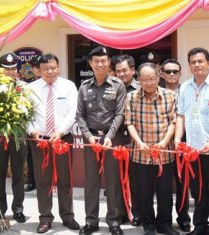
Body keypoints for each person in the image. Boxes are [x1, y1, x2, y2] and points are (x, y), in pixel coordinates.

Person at [175, 47, 209, 235]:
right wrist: (176, 139)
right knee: (197, 191)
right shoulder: (185, 87)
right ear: (189, 65)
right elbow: (180, 115)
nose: (197, 65)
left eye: (200, 61)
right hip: (193, 150)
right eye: (193, 62)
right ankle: (200, 226)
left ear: (208, 62)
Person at [76, 46, 126, 235]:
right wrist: (89, 136)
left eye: (103, 61)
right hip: (91, 141)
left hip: (111, 140)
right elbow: (79, 115)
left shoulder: (117, 85)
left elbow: (120, 113)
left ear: (108, 63)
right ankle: (91, 222)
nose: (100, 64)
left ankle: (113, 221)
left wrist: (109, 137)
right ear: (90, 63)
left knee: (113, 182)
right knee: (91, 182)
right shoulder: (84, 87)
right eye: (96, 61)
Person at [27, 53, 80, 233]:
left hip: (62, 140)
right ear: (38, 71)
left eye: (53, 67)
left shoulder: (69, 86)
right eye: (45, 69)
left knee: (65, 180)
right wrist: (32, 131)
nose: (50, 72)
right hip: (39, 141)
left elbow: (73, 113)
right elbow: (25, 115)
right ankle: (45, 218)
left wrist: (60, 132)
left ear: (58, 67)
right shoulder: (30, 89)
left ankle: (68, 216)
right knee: (43, 181)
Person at [125, 62, 179, 235]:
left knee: (165, 192)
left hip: (164, 153)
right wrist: (139, 143)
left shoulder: (170, 96)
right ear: (138, 79)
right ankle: (148, 225)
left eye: (152, 78)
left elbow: (173, 122)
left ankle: (165, 224)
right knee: (144, 193)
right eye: (144, 79)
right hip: (141, 154)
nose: (149, 82)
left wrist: (165, 141)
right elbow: (129, 123)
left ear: (159, 77)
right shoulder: (131, 97)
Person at [161, 59, 191, 232]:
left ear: (180, 73)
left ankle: (183, 218)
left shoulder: (187, 91)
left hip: (182, 144)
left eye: (175, 71)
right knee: (163, 185)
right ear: (162, 74)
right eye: (168, 71)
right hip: (162, 145)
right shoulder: (155, 91)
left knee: (182, 183)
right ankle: (164, 220)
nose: (172, 74)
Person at [0, 52, 27, 223]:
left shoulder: (23, 88)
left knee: (18, 175)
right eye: (6, 69)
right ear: (1, 70)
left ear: (17, 70)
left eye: (13, 69)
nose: (10, 72)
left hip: (18, 137)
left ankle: (18, 209)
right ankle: (0, 208)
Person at [114, 54, 141, 226]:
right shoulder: (112, 87)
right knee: (117, 180)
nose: (122, 74)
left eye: (125, 70)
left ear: (132, 70)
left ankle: (137, 213)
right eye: (118, 71)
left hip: (136, 139)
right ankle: (120, 213)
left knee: (137, 180)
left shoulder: (141, 88)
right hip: (117, 138)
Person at [23, 55, 41, 192]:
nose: (38, 70)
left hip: (47, 127)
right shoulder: (28, 84)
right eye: (36, 68)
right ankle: (32, 181)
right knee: (30, 156)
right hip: (31, 126)